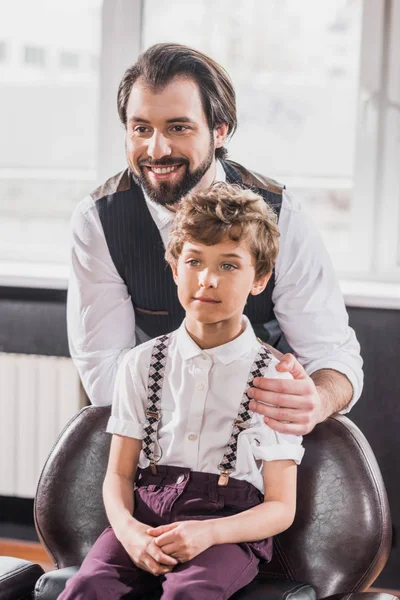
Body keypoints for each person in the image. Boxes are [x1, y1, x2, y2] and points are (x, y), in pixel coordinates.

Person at [67, 42, 363, 435]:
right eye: (141, 129)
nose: (156, 149)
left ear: (219, 131)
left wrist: (318, 399)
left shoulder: (283, 215)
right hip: (151, 429)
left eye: (178, 127)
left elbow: (332, 355)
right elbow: (105, 376)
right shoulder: (97, 221)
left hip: (261, 430)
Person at [60, 183, 304, 600]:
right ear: (175, 268)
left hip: (228, 527)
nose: (207, 280)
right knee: (87, 588)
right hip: (145, 515)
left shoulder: (277, 380)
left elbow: (281, 506)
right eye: (194, 261)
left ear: (259, 278)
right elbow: (119, 473)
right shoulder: (139, 364)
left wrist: (209, 532)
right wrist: (129, 532)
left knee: (187, 595)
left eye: (229, 266)